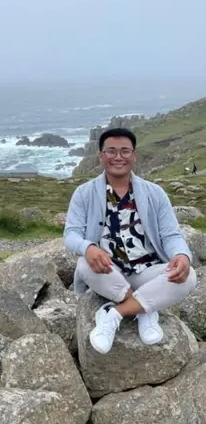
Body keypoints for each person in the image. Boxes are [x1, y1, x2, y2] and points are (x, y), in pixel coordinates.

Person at [64, 127, 196, 354]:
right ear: (101, 155)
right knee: (84, 263)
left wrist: (181, 255)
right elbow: (71, 234)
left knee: (188, 276)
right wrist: (88, 247)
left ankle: (114, 313)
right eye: (111, 151)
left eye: (125, 151)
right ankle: (145, 306)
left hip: (148, 271)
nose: (118, 157)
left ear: (134, 155)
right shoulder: (84, 193)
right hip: (108, 272)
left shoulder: (155, 193)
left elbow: (171, 235)